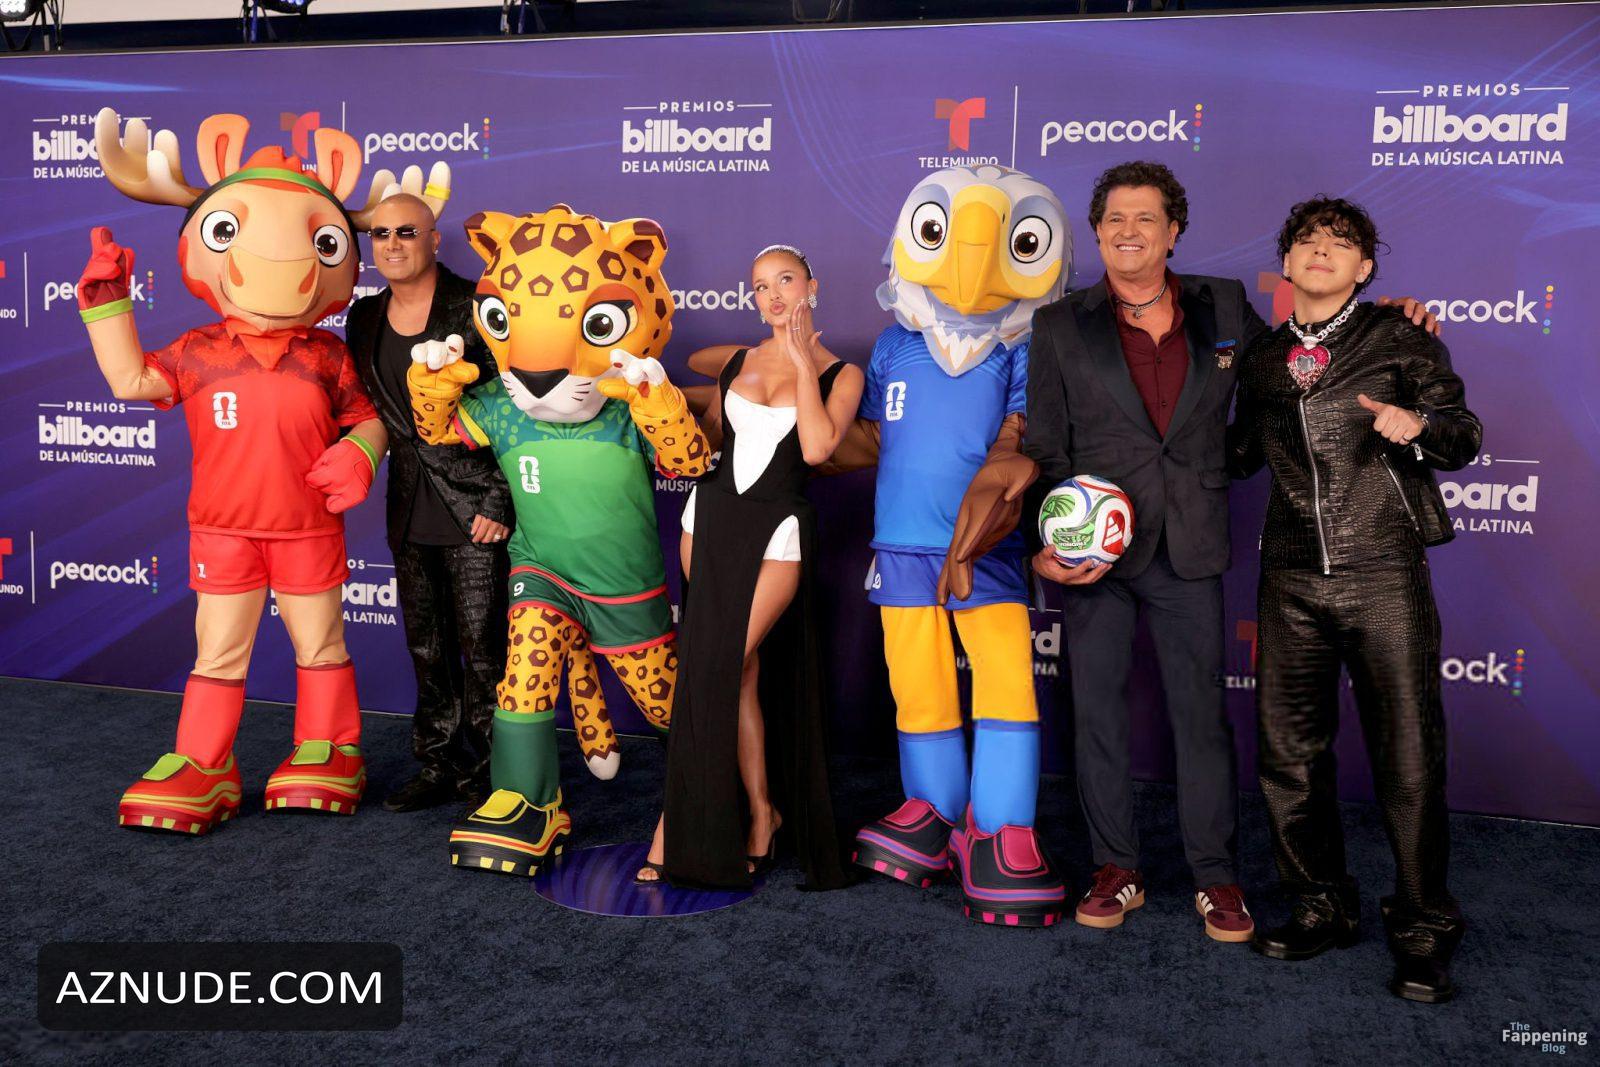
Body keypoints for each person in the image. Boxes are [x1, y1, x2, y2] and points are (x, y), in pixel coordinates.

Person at [1022, 161, 1437, 941]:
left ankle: (1215, 875)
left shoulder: (1223, 304)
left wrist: (1386, 321)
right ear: (1097, 231)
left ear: (1173, 231)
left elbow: (1306, 351)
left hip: (1190, 546)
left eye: (1146, 218)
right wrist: (1041, 547)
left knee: (1202, 719)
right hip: (1094, 557)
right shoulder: (1058, 325)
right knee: (1097, 714)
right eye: (1114, 219)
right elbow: (1044, 447)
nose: (1129, 231)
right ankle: (1116, 866)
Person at [1228, 197, 1479, 1003]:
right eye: (1306, 240)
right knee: (1289, 756)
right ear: (1286, 262)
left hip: (1383, 572)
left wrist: (1419, 424)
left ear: (1365, 267)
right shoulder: (1263, 356)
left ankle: (1423, 927)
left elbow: (1464, 435)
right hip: (1290, 578)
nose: (1321, 251)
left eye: (1341, 243)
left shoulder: (1400, 336)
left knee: (1408, 758)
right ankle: (1321, 904)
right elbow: (1235, 455)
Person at [636, 244, 862, 890]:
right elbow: (710, 439)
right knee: (732, 673)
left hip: (778, 532)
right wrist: (659, 409)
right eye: (761, 286)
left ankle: (673, 827)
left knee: (715, 669)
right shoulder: (737, 361)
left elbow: (817, 447)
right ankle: (762, 814)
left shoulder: (842, 373)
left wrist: (800, 359)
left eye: (785, 280)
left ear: (811, 285)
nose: (773, 295)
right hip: (708, 521)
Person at [347, 193, 513, 812]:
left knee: (486, 650)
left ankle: (498, 772)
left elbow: (514, 408)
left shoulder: (476, 307)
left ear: (435, 239)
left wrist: (499, 498)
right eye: (381, 234)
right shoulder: (364, 316)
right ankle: (439, 761)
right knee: (428, 647)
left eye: (407, 232)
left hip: (476, 508)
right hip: (409, 503)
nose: (392, 244)